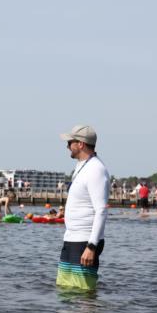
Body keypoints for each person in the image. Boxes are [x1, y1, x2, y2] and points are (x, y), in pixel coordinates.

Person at [57, 125, 109, 291]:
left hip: (85, 242)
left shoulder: (96, 169)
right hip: (71, 238)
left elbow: (101, 210)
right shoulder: (81, 166)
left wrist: (92, 246)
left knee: (83, 295)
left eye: (70, 142)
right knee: (65, 291)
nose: (67, 146)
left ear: (81, 144)